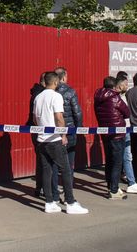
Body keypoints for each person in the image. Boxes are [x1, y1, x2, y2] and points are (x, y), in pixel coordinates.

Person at [32, 71, 89, 214]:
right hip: (54, 139)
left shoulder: (38, 97)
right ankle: (70, 202)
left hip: (42, 139)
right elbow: (59, 117)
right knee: (66, 169)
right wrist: (63, 134)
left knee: (47, 170)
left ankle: (49, 202)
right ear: (56, 82)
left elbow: (34, 119)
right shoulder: (56, 96)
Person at [93, 75, 132, 198]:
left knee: (109, 161)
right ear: (114, 86)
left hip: (105, 132)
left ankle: (110, 186)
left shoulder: (98, 97)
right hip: (117, 134)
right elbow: (126, 112)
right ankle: (114, 190)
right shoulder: (115, 97)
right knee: (117, 162)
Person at [50, 66, 83, 200]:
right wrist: (79, 128)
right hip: (69, 131)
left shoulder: (50, 92)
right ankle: (68, 194)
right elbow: (77, 113)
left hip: (54, 132)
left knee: (54, 164)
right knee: (68, 165)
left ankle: (55, 195)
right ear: (63, 77)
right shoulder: (70, 92)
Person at [114, 72, 137, 189]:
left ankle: (119, 181)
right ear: (120, 85)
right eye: (126, 84)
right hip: (123, 130)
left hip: (126, 129)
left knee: (124, 157)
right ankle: (132, 183)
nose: (127, 86)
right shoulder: (118, 98)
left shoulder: (124, 97)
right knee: (126, 157)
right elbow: (126, 113)